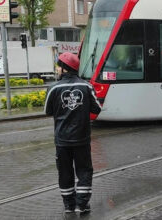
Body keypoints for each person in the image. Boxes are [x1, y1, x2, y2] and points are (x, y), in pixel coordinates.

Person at [44, 52, 102, 214]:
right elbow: (97, 108)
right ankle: (81, 205)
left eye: (58, 66)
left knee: (65, 171)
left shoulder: (53, 88)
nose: (57, 69)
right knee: (84, 171)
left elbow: (48, 111)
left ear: (64, 68)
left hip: (62, 140)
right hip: (82, 139)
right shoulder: (86, 86)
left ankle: (69, 205)